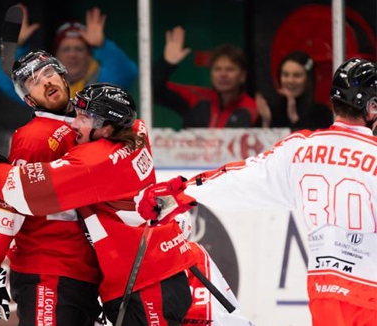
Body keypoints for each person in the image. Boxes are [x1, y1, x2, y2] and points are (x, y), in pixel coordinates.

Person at [138, 57, 377, 326]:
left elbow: (240, 178)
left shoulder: (300, 148)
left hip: (323, 291)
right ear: (371, 107)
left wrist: (183, 193)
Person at [0, 83, 197, 325]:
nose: (74, 123)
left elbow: (20, 191)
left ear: (106, 128)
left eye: (83, 118)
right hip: (156, 271)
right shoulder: (137, 130)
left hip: (143, 283)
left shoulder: (93, 163)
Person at [0, 50, 101, 326]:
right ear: (28, 99)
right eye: (34, 82)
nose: (45, 82)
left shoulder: (92, 121)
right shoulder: (34, 138)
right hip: (49, 271)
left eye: (48, 73)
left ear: (63, 76)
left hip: (91, 275)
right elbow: (8, 202)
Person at [0, 6, 138, 103]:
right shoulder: (43, 87)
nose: (72, 55)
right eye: (66, 49)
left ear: (90, 55)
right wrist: (17, 47)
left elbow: (127, 72)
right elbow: (4, 79)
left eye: (79, 49)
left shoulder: (102, 84)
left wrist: (102, 46)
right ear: (55, 56)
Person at [153, 26, 257, 128]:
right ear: (211, 74)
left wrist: (266, 122)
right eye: (217, 69)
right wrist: (167, 63)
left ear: (242, 76)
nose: (223, 74)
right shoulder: (196, 97)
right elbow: (152, 90)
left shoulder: (252, 108)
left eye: (230, 69)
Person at [256, 51, 333, 130]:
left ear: (308, 80)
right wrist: (266, 122)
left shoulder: (321, 113)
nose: (290, 81)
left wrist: (294, 117)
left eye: (297, 75)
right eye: (285, 75)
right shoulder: (271, 111)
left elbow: (315, 140)